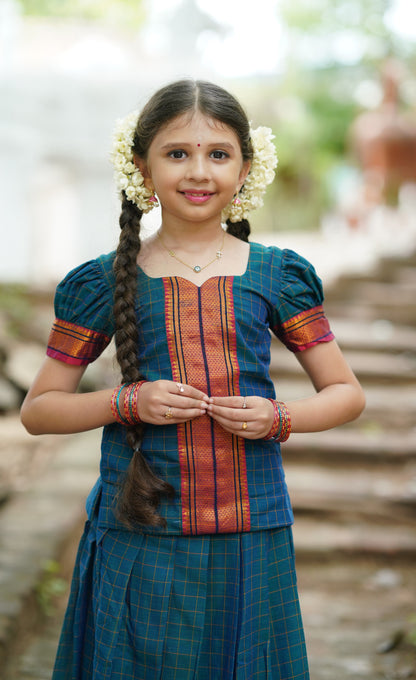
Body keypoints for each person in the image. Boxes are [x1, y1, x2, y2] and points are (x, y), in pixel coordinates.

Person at [21, 79, 365, 680]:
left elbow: (346, 395)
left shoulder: (277, 275)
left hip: (250, 525)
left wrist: (278, 416)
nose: (198, 171)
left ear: (246, 167)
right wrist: (128, 400)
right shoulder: (102, 282)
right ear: (141, 166)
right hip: (140, 526)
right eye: (177, 153)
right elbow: (40, 409)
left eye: (218, 153)